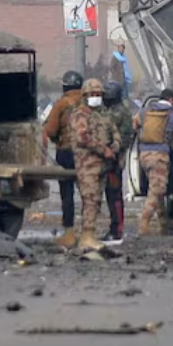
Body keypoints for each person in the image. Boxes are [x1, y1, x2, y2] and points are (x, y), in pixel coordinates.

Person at [55, 78, 119, 251]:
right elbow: (83, 138)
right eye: (93, 94)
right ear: (85, 95)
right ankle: (87, 236)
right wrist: (102, 149)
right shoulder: (79, 114)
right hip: (87, 165)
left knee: (96, 201)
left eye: (99, 94)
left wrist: (114, 147)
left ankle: (88, 234)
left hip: (102, 165)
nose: (96, 97)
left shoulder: (103, 114)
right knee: (90, 199)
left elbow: (114, 132)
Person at [133, 88, 173, 236]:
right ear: (171, 100)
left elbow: (134, 126)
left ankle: (163, 224)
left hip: (144, 156)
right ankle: (144, 223)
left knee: (157, 188)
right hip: (160, 157)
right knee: (157, 190)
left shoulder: (144, 111)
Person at [42, 70, 86, 230]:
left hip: (66, 152)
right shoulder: (88, 103)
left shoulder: (61, 104)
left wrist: (57, 139)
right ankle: (88, 227)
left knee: (67, 193)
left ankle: (68, 227)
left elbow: (51, 130)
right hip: (86, 153)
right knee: (87, 192)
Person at [101, 81, 135, 240]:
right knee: (112, 194)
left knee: (114, 195)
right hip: (114, 157)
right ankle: (115, 228)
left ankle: (117, 229)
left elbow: (112, 134)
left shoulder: (117, 112)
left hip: (114, 159)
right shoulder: (118, 110)